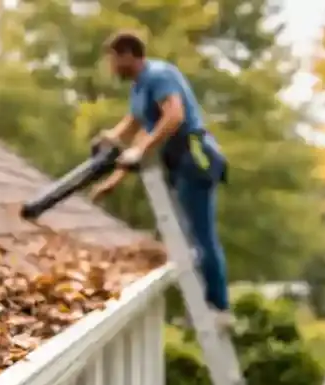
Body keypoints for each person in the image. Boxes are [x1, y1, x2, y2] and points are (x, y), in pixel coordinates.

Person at [91, 30, 232, 321]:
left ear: (128, 55)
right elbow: (134, 125)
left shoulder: (159, 75)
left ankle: (218, 306)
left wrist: (139, 152)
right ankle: (204, 302)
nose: (111, 67)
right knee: (183, 231)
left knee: (200, 233)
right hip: (178, 162)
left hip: (194, 157)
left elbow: (175, 116)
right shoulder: (140, 87)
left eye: (113, 60)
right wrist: (112, 147)